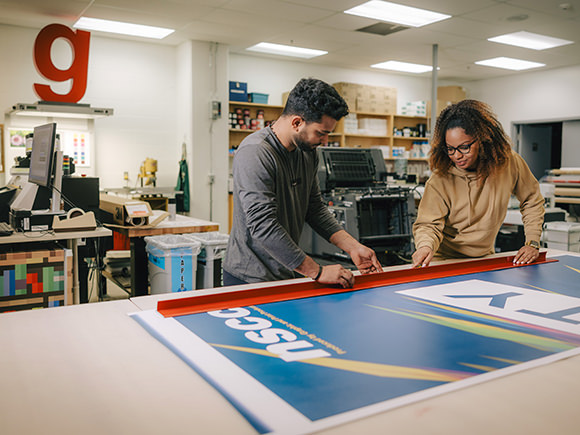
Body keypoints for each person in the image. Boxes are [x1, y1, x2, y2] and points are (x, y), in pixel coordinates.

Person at [223, 78, 382, 288]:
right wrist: (318, 271)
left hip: (287, 271)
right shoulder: (255, 152)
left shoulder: (307, 152)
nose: (325, 142)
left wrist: (353, 246)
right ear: (297, 122)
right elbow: (263, 225)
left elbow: (314, 208)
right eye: (321, 133)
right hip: (249, 278)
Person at [412, 99, 545, 268]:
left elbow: (532, 200)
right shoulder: (440, 179)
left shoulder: (508, 162)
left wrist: (532, 242)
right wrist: (425, 246)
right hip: (443, 260)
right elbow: (428, 224)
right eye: (450, 149)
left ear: (482, 139)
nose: (457, 156)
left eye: (464, 147)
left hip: (484, 258)